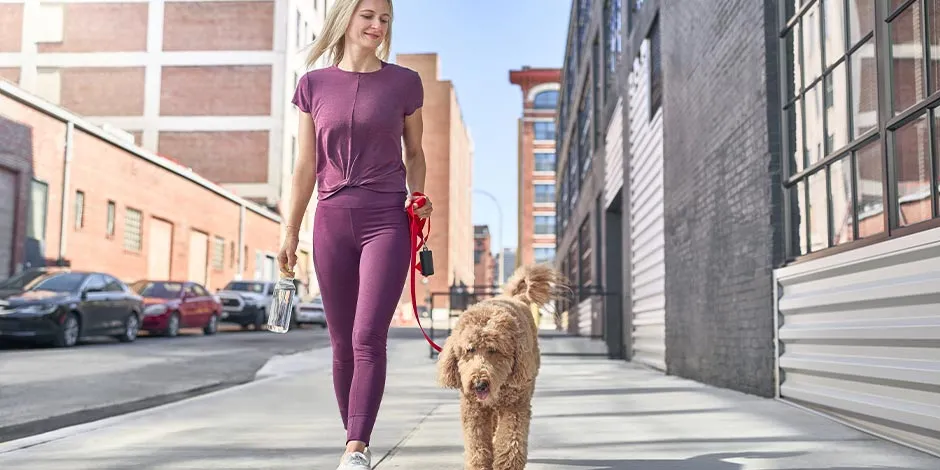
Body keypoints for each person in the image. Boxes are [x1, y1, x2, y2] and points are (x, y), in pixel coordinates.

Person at [277, 0, 431, 468]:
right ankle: (355, 436)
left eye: (384, 19)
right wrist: (289, 234)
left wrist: (418, 195)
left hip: (385, 218)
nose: (377, 25)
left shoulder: (404, 82)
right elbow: (304, 167)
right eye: (368, 15)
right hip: (329, 220)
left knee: (368, 337)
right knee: (341, 343)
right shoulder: (313, 85)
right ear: (346, 19)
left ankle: (356, 448)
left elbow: (416, 153)